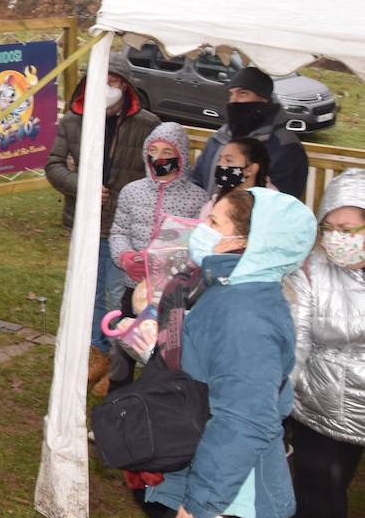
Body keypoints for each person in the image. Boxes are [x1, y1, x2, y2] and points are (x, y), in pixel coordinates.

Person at [139, 187, 317, 518]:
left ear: (249, 243)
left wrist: (204, 501)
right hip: (223, 479)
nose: (202, 228)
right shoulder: (234, 290)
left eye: (215, 223)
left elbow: (245, 419)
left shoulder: (245, 316)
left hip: (232, 495)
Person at [269, 170, 365, 518]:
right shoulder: (308, 273)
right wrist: (280, 403)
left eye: (349, 230)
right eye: (330, 228)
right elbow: (297, 342)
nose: (338, 238)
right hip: (326, 401)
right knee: (321, 482)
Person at [45, 59, 160, 394]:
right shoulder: (73, 121)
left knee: (117, 294)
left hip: (126, 228)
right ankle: (97, 353)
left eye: (116, 81)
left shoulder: (146, 124)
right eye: (103, 79)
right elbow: (54, 166)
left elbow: (157, 172)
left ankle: (118, 359)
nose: (109, 87)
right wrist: (83, 184)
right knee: (90, 292)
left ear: (127, 86)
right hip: (86, 224)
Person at [104, 123, 208, 394]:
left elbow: (200, 246)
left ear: (181, 156)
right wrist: (125, 257)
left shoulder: (198, 199)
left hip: (172, 294)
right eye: (153, 151)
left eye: (167, 151)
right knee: (123, 346)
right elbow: (119, 231)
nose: (159, 158)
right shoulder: (131, 191)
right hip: (133, 288)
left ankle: (158, 400)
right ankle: (117, 399)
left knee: (164, 349)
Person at [188, 66, 308, 201]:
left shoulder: (285, 147)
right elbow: (196, 181)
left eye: (243, 93)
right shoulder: (219, 138)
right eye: (231, 94)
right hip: (208, 216)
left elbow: (282, 202)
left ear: (263, 99)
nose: (234, 100)